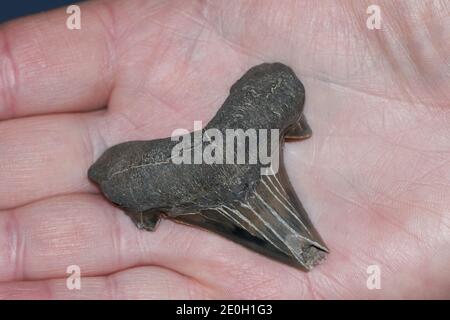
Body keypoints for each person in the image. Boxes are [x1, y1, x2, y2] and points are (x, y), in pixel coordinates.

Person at [0, 0, 448, 299]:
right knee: (220, 173)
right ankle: (154, 199)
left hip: (194, 170)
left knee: (222, 171)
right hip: (175, 176)